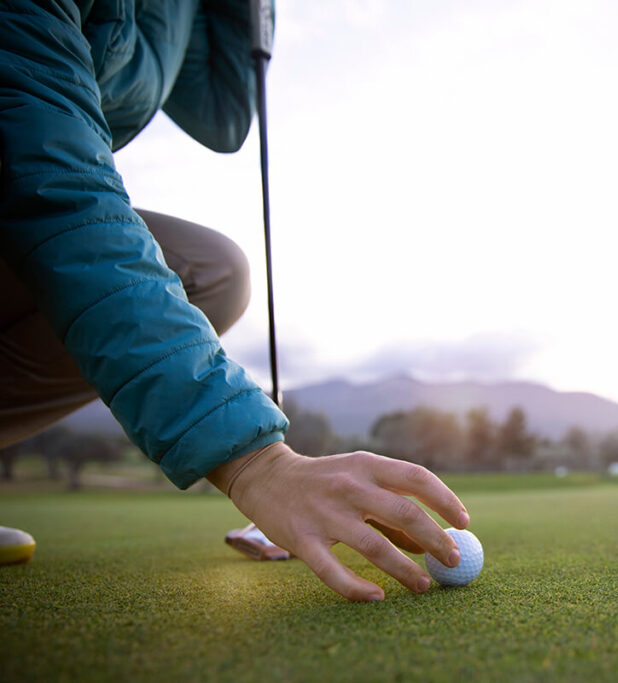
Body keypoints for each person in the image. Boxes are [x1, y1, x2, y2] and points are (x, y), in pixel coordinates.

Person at [0, 0, 469, 601]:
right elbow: (52, 184)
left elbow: (224, 118)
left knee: (215, 271)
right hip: (25, 179)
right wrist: (257, 463)